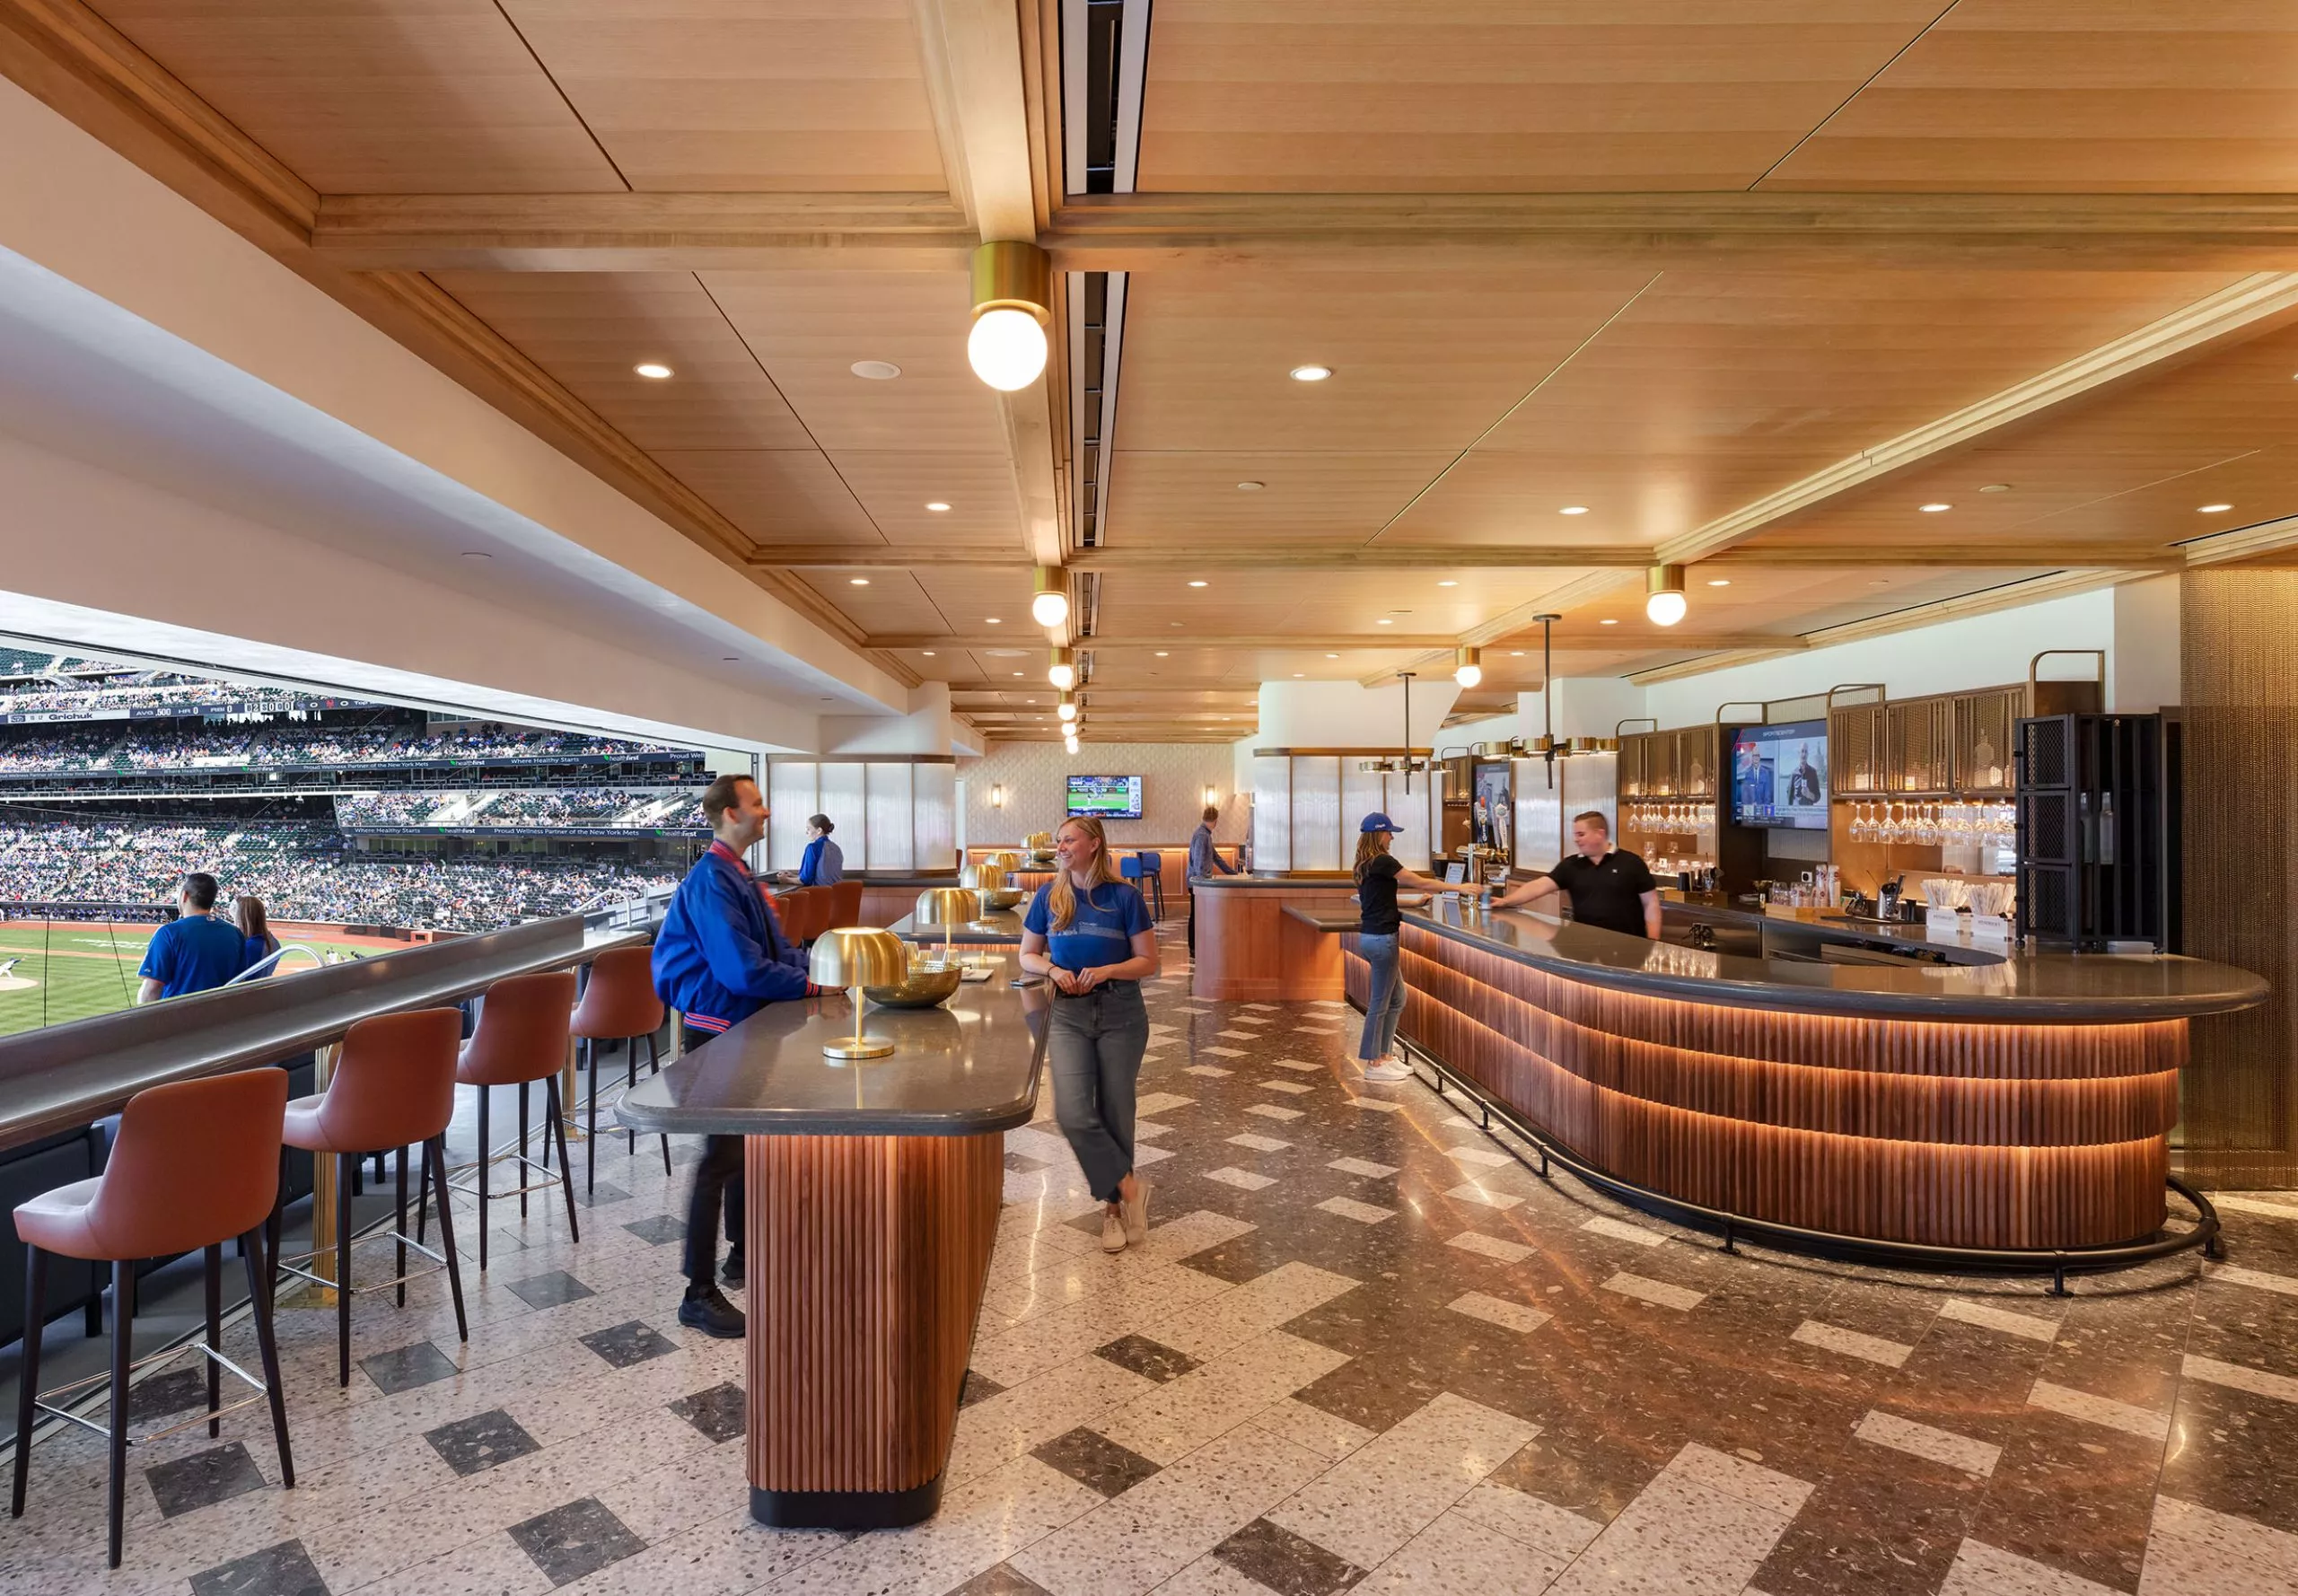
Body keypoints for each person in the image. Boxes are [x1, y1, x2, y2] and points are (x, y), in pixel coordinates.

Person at [652, 773, 819, 1337]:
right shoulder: (712, 879)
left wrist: (821, 973)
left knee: (744, 1146)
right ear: (728, 813)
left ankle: (743, 1254)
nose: (765, 812)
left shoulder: (737, 872)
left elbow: (776, 951)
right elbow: (740, 970)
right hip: (719, 1028)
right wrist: (815, 987)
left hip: (743, 1024)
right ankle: (697, 1292)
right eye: (757, 803)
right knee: (722, 1156)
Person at [1019, 815, 1160, 1254]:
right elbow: (1028, 955)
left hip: (1121, 1013)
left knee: (1117, 1111)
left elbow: (1148, 961)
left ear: (1094, 844)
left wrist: (1107, 971)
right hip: (1068, 1015)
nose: (1060, 847)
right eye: (1058, 841)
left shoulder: (1125, 896)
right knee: (1074, 1112)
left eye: (1068, 840)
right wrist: (1055, 970)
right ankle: (1129, 1185)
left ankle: (1114, 1211)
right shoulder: (1049, 895)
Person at [1353, 814, 1487, 1083]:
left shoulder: (1366, 863)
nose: (1392, 838)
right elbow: (1421, 881)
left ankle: (1385, 1055)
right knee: (1380, 1003)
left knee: (1397, 998)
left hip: (1372, 937)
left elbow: (1379, 899)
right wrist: (1458, 887)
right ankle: (1373, 1062)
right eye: (1390, 833)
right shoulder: (1383, 860)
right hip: (1382, 940)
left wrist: (1414, 904)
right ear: (1379, 834)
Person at [1491, 810, 1661, 939]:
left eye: (1581, 834)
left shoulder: (1631, 863)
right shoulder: (1571, 865)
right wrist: (1505, 901)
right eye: (1575, 835)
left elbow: (1651, 903)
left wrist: (1653, 942)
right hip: (1583, 948)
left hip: (1629, 947)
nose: (1576, 839)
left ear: (1599, 834)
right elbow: (1539, 886)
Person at [136, 873, 250, 1003]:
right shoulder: (235, 933)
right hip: (221, 1017)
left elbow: (151, 989)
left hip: (178, 1018)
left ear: (184, 896)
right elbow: (240, 983)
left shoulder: (168, 933)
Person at [1185, 802, 1236, 958]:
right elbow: (1200, 863)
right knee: (1196, 915)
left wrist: (1233, 873)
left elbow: (1216, 858)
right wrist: (1201, 883)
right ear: (1215, 820)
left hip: (1197, 882)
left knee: (1198, 914)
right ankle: (1194, 948)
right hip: (1197, 883)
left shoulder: (1205, 834)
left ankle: (1196, 946)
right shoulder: (1202, 836)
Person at [234, 894, 280, 979]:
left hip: (250, 990)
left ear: (243, 919)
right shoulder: (274, 941)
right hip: (264, 987)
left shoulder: (249, 947)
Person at [794, 814, 843, 886]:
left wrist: (786, 879)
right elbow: (823, 876)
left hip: (820, 894)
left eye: (808, 829)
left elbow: (806, 880)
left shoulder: (813, 848)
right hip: (836, 894)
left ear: (819, 830)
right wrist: (793, 876)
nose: (806, 832)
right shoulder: (836, 848)